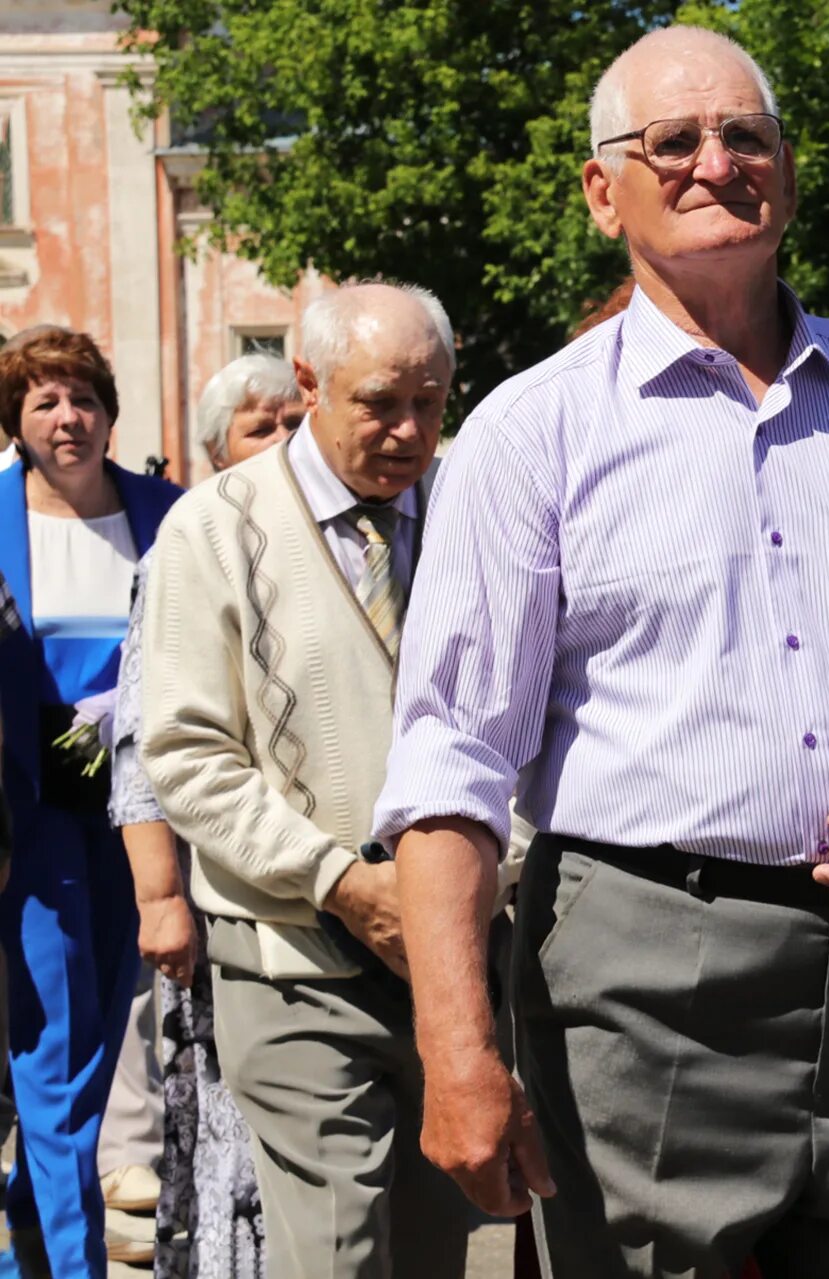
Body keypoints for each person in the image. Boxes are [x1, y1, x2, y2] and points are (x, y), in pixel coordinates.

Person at [373, 26, 829, 1279]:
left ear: (788, 173)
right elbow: (451, 763)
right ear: (605, 193)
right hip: (645, 990)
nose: (716, 162)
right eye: (672, 141)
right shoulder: (531, 434)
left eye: (744, 135)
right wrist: (456, 1049)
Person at [139, 283, 470, 1279]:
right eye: (379, 402)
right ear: (311, 384)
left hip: (458, 960)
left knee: (430, 1247)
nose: (408, 430)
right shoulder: (212, 530)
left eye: (431, 401)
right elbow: (187, 754)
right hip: (290, 957)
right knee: (335, 1250)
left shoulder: (475, 512)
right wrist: (339, 881)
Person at [109, 352, 303, 1278]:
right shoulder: (180, 551)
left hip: (318, 897)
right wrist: (159, 897)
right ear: (216, 450)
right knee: (232, 1127)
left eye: (295, 422)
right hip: (217, 893)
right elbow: (141, 747)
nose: (283, 442)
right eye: (260, 428)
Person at [0, 326, 182, 1277]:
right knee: (58, 1058)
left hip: (148, 827)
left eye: (83, 397)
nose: (67, 417)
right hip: (32, 829)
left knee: (104, 1037)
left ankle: (25, 1245)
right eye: (44, 401)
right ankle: (76, 1268)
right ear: (17, 422)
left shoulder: (173, 513)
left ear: (110, 414)